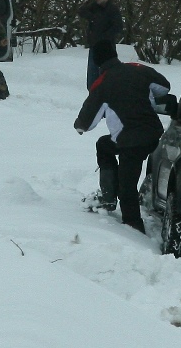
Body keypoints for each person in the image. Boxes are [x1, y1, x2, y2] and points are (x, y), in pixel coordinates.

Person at [73, 43, 174, 230]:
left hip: (131, 141)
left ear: (97, 63)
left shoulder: (102, 84)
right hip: (153, 134)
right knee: (104, 145)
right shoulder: (138, 70)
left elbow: (87, 122)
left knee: (127, 187)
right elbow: (164, 87)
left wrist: (79, 125)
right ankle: (109, 197)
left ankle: (133, 227)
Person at [76, 0, 125, 87]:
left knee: (107, 77)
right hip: (94, 46)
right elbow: (81, 11)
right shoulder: (94, 6)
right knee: (92, 80)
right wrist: (91, 15)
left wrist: (105, 37)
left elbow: (118, 27)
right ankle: (93, 94)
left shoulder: (113, 9)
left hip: (107, 48)